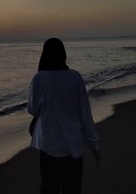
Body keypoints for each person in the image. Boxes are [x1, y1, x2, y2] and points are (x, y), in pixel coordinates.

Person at [27, 38, 100, 194]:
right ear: (63, 54)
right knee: (72, 189)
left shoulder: (39, 78)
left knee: (49, 188)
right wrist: (94, 145)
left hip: (48, 145)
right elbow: (85, 114)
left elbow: (32, 109)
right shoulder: (75, 77)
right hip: (72, 145)